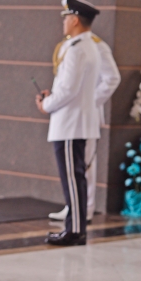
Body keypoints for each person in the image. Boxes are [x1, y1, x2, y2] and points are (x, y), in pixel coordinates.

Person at [35, 0, 102, 247]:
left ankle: (75, 230)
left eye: (66, 18)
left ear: (74, 20)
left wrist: (46, 105)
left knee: (73, 180)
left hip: (70, 124)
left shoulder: (77, 49)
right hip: (75, 122)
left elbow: (68, 90)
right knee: (76, 179)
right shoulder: (87, 46)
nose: (63, 23)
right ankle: (75, 227)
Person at [48, 30, 119, 224]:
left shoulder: (96, 46)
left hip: (86, 114)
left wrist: (90, 101)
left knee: (84, 164)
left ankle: (85, 209)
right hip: (72, 114)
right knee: (73, 167)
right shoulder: (70, 45)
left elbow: (112, 78)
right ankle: (74, 207)